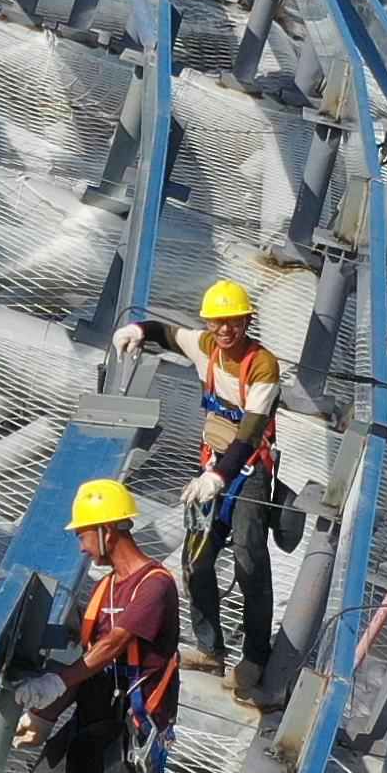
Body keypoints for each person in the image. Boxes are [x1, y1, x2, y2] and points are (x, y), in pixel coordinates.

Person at [14, 477, 181, 773]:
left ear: (108, 530)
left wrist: (55, 683)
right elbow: (89, 660)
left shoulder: (156, 585)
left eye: (84, 533)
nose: (81, 545)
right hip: (93, 717)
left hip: (135, 729)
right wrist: (48, 714)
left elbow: (114, 645)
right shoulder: (106, 589)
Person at [118, 281, 286, 700]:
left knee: (249, 561)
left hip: (248, 471)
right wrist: (139, 330)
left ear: (247, 320)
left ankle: (255, 657)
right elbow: (166, 333)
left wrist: (218, 478)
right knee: (196, 561)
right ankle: (210, 649)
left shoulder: (262, 366)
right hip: (213, 465)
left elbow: (249, 434)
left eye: (233, 320)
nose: (225, 329)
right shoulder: (205, 346)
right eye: (217, 321)